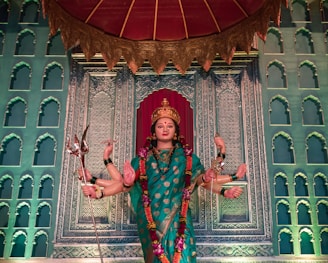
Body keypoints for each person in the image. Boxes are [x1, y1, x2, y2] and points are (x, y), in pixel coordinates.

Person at [79, 98, 247, 263]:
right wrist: (100, 193)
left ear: (176, 131)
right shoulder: (142, 160)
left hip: (179, 220)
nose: (165, 129)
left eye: (169, 126)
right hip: (152, 221)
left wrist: (225, 191)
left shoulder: (187, 159)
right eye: (160, 126)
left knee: (184, 257)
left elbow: (202, 181)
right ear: (154, 131)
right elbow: (123, 186)